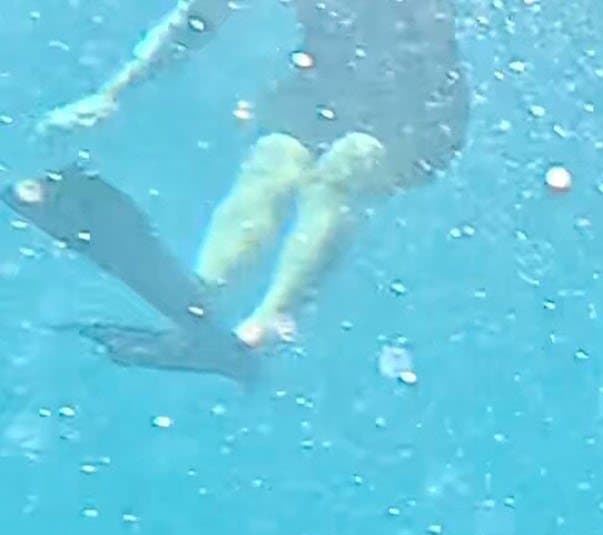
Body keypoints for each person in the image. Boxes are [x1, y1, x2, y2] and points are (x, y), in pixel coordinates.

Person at [40, 0, 469, 350]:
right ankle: (200, 296)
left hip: (422, 111)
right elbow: (196, 18)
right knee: (273, 160)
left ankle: (272, 318)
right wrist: (112, 93)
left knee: (345, 166)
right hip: (326, 88)